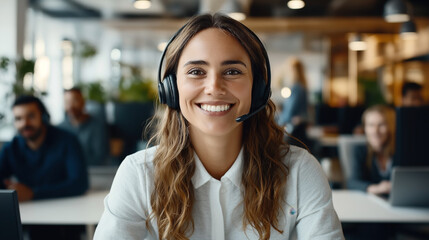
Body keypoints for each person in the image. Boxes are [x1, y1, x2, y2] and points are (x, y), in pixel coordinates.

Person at [94, 13, 343, 240]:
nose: (214, 87)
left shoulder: (299, 172)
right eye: (196, 71)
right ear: (171, 88)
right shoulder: (139, 176)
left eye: (233, 71)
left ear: (258, 89)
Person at [0, 95, 88, 201]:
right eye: (18, 119)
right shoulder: (10, 148)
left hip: (65, 206)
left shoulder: (68, 141)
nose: (25, 123)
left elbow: (80, 184)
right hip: (26, 210)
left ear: (43, 116)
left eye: (31, 116)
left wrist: (33, 193)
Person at [347, 104, 396, 195]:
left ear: (391, 126)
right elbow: (352, 183)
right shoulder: (360, 151)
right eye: (371, 125)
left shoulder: (401, 152)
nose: (375, 131)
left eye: (381, 125)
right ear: (365, 128)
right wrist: (377, 188)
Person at [59, 87, 109, 166]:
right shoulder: (60, 128)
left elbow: (100, 157)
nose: (71, 106)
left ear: (83, 102)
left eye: (74, 101)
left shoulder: (97, 126)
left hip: (93, 172)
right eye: (67, 102)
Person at [277, 57, 309, 129]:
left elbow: (290, 110)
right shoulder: (303, 86)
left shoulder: (296, 88)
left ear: (294, 71)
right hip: (298, 126)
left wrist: (281, 121)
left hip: (293, 126)